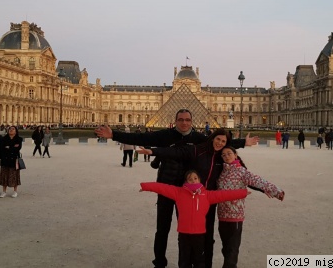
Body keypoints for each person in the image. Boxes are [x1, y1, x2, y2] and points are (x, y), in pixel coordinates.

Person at [94, 109, 256, 268]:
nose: (184, 123)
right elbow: (140, 136)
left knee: (188, 231)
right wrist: (114, 135)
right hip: (167, 184)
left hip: (189, 190)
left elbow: (220, 143)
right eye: (181, 120)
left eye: (187, 120)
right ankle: (159, 263)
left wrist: (243, 143)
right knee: (162, 229)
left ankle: (190, 263)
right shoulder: (165, 135)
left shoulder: (199, 138)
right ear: (176, 120)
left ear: (191, 122)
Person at [137, 128, 259, 268]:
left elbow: (243, 174)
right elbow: (176, 152)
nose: (220, 143)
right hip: (192, 198)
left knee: (208, 238)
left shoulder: (221, 155)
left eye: (223, 141)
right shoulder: (197, 150)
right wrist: (153, 151)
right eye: (217, 139)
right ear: (212, 138)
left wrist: (257, 190)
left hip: (208, 200)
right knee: (187, 236)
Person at [140, 170, 248, 268]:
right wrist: (145, 186)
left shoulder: (206, 195)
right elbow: (162, 187)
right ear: (186, 181)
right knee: (184, 259)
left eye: (195, 178)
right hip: (184, 234)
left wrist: (243, 193)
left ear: (199, 180)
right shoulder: (178, 192)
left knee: (199, 259)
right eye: (190, 179)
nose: (193, 180)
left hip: (199, 234)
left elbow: (223, 195)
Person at [217, 146, 284, 267]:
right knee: (226, 248)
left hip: (235, 215)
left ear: (236, 155)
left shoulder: (242, 171)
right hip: (222, 215)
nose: (226, 156)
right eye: (224, 155)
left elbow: (258, 181)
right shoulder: (221, 172)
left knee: (232, 250)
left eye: (229, 153)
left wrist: (276, 191)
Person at [0, 126, 22, 198]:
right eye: (10, 129)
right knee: (4, 175)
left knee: (15, 175)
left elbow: (17, 148)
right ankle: (4, 191)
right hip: (5, 159)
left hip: (14, 159)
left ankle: (15, 191)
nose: (11, 130)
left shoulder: (19, 139)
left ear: (16, 131)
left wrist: (8, 147)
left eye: (13, 129)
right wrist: (12, 147)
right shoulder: (4, 139)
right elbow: (2, 148)